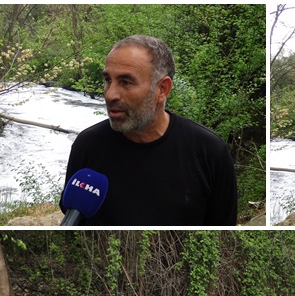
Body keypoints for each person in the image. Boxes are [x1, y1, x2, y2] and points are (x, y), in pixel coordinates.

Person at [63, 35, 237, 226]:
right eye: (107, 80)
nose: (110, 94)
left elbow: (222, 232)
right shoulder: (88, 145)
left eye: (126, 82)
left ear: (162, 89)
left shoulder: (209, 152)